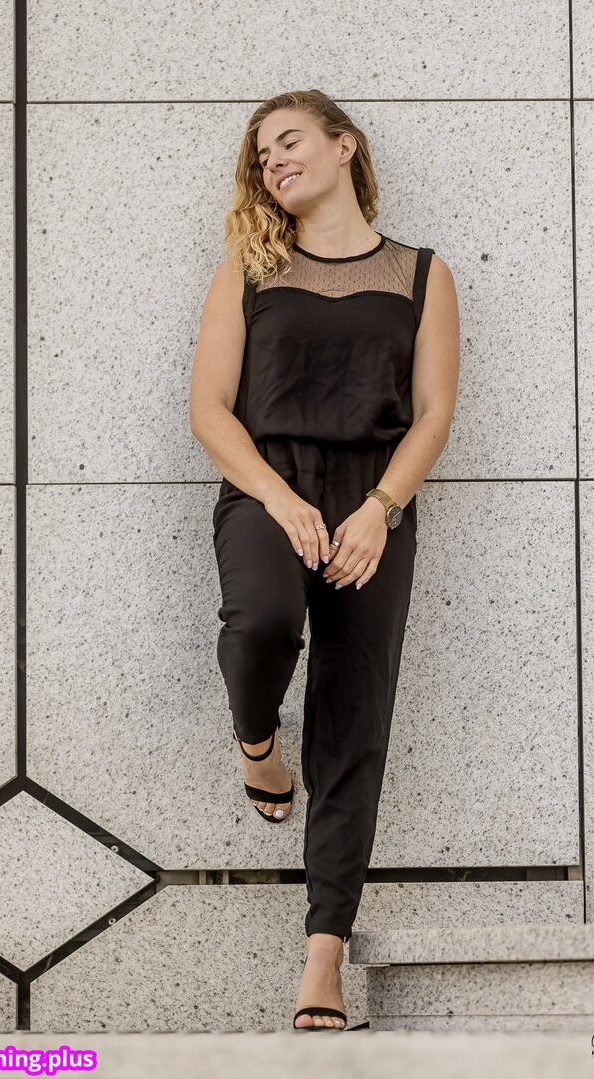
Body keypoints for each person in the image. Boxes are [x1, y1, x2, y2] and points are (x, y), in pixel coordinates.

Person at [189, 89, 459, 1030]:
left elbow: (433, 413)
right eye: (262, 155)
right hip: (269, 484)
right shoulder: (249, 269)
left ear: (345, 146)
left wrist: (382, 509)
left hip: (374, 504)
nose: (273, 162)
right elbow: (209, 410)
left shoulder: (421, 273)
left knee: (353, 719)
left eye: (289, 141)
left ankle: (322, 958)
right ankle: (258, 746)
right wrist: (280, 498)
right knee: (260, 623)